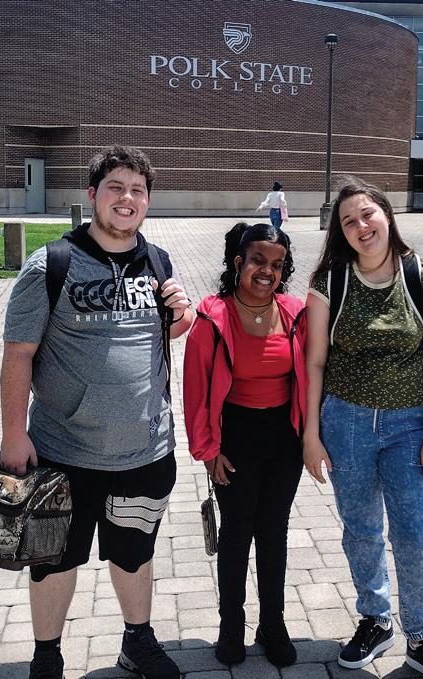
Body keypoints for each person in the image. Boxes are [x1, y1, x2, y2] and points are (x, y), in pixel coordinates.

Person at [0, 146, 192, 679]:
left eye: (137, 190)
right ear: (92, 195)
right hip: (63, 452)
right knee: (53, 559)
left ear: (147, 201)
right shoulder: (51, 265)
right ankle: (47, 655)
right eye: (116, 187)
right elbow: (18, 354)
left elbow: (165, 334)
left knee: (134, 553)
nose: (127, 198)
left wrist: (182, 317)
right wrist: (13, 434)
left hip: (144, 451)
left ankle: (137, 642)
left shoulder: (158, 262)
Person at [304, 177, 423, 678]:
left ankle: (422, 637)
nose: (361, 226)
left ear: (387, 215)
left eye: (367, 214)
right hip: (345, 423)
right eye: (349, 221)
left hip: (409, 426)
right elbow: (314, 363)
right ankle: (375, 619)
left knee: (416, 535)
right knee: (362, 530)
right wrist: (311, 434)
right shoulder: (331, 281)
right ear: (341, 232)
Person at [183, 222, 307, 668]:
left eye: (277, 264)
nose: (267, 271)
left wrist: (311, 437)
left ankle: (273, 623)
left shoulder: (295, 314)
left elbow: (312, 375)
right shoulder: (212, 318)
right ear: (238, 262)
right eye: (257, 260)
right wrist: (208, 450)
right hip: (234, 438)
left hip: (284, 440)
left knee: (273, 532)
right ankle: (230, 625)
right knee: (236, 534)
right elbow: (195, 390)